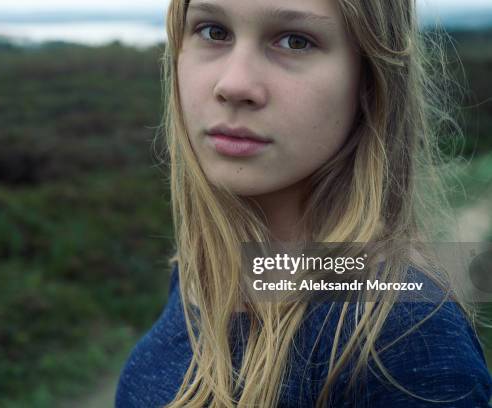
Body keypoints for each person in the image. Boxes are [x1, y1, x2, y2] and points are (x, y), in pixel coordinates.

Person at [115, 0, 492, 406]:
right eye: (213, 32)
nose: (234, 84)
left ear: (369, 80)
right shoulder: (205, 271)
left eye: (296, 41)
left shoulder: (402, 334)